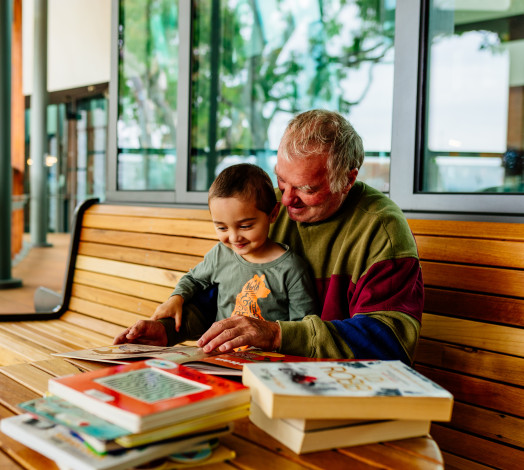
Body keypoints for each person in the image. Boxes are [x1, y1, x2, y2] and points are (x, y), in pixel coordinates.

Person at [116, 110, 423, 364]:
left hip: (338, 386)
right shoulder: (267, 211)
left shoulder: (381, 229)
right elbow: (222, 297)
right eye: (281, 179)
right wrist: (166, 330)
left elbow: (391, 338)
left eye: (307, 189)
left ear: (347, 180)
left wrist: (277, 334)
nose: (287, 200)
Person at [114, 163, 318, 346]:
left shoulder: (292, 269)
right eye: (221, 227)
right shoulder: (220, 254)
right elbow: (194, 279)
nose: (234, 237)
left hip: (265, 365)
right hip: (218, 356)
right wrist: (176, 297)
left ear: (273, 214)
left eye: (246, 225)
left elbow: (301, 329)